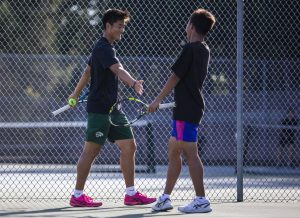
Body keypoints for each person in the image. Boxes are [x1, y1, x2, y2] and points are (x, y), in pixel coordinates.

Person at [68, 9, 156, 207]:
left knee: (129, 146)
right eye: (119, 26)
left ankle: (131, 194)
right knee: (91, 152)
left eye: (124, 26)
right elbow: (117, 69)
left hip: (113, 109)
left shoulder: (102, 48)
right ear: (108, 26)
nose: (122, 30)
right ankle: (77, 195)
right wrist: (134, 83)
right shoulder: (103, 48)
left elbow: (87, 72)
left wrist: (74, 94)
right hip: (99, 109)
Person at [148, 9, 216, 213]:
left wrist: (157, 101)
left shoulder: (190, 49)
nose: (186, 27)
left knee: (190, 154)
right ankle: (165, 198)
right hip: (186, 109)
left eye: (188, 23)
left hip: (187, 110)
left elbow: (175, 77)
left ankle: (201, 200)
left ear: (192, 27)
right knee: (174, 151)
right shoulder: (204, 49)